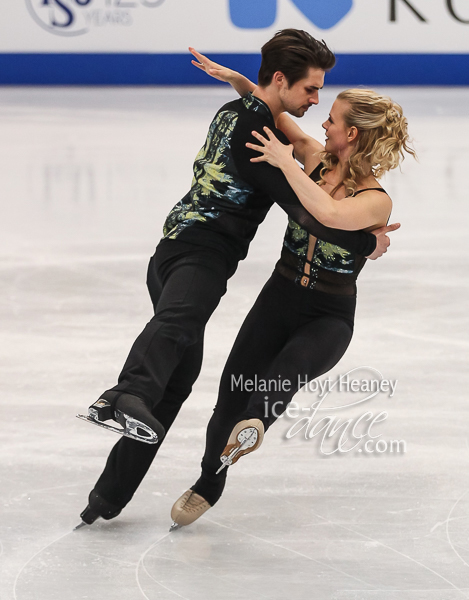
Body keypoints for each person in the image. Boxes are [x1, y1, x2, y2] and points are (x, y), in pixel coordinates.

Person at [76, 30, 396, 528]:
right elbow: (298, 177)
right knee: (196, 350)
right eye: (313, 93)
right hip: (233, 271)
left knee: (211, 378)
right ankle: (137, 410)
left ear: (351, 134)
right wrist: (365, 242)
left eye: (327, 108)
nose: (318, 107)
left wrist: (252, 92)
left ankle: (112, 493)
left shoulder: (350, 183)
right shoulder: (291, 151)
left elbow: (320, 200)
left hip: (295, 298)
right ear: (282, 80)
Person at [169, 55, 416, 529]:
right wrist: (244, 83)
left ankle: (256, 424)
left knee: (288, 369)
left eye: (333, 119)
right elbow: (275, 112)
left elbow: (327, 215)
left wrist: (286, 162)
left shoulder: (375, 198)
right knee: (228, 396)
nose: (322, 121)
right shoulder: (313, 158)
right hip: (279, 297)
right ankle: (208, 483)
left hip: (329, 314)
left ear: (354, 135)